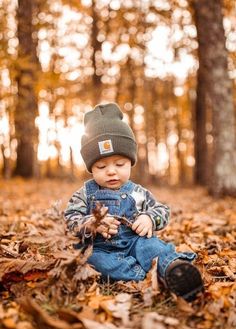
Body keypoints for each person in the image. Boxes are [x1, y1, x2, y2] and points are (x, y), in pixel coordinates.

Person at [64, 103, 204, 302]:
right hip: (100, 248)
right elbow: (70, 218)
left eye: (119, 164)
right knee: (93, 260)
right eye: (101, 166)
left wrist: (149, 217)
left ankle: (174, 269)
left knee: (152, 247)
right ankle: (142, 274)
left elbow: (162, 210)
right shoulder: (85, 193)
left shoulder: (138, 192)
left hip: (135, 242)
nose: (111, 171)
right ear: (91, 168)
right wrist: (91, 224)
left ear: (130, 162)